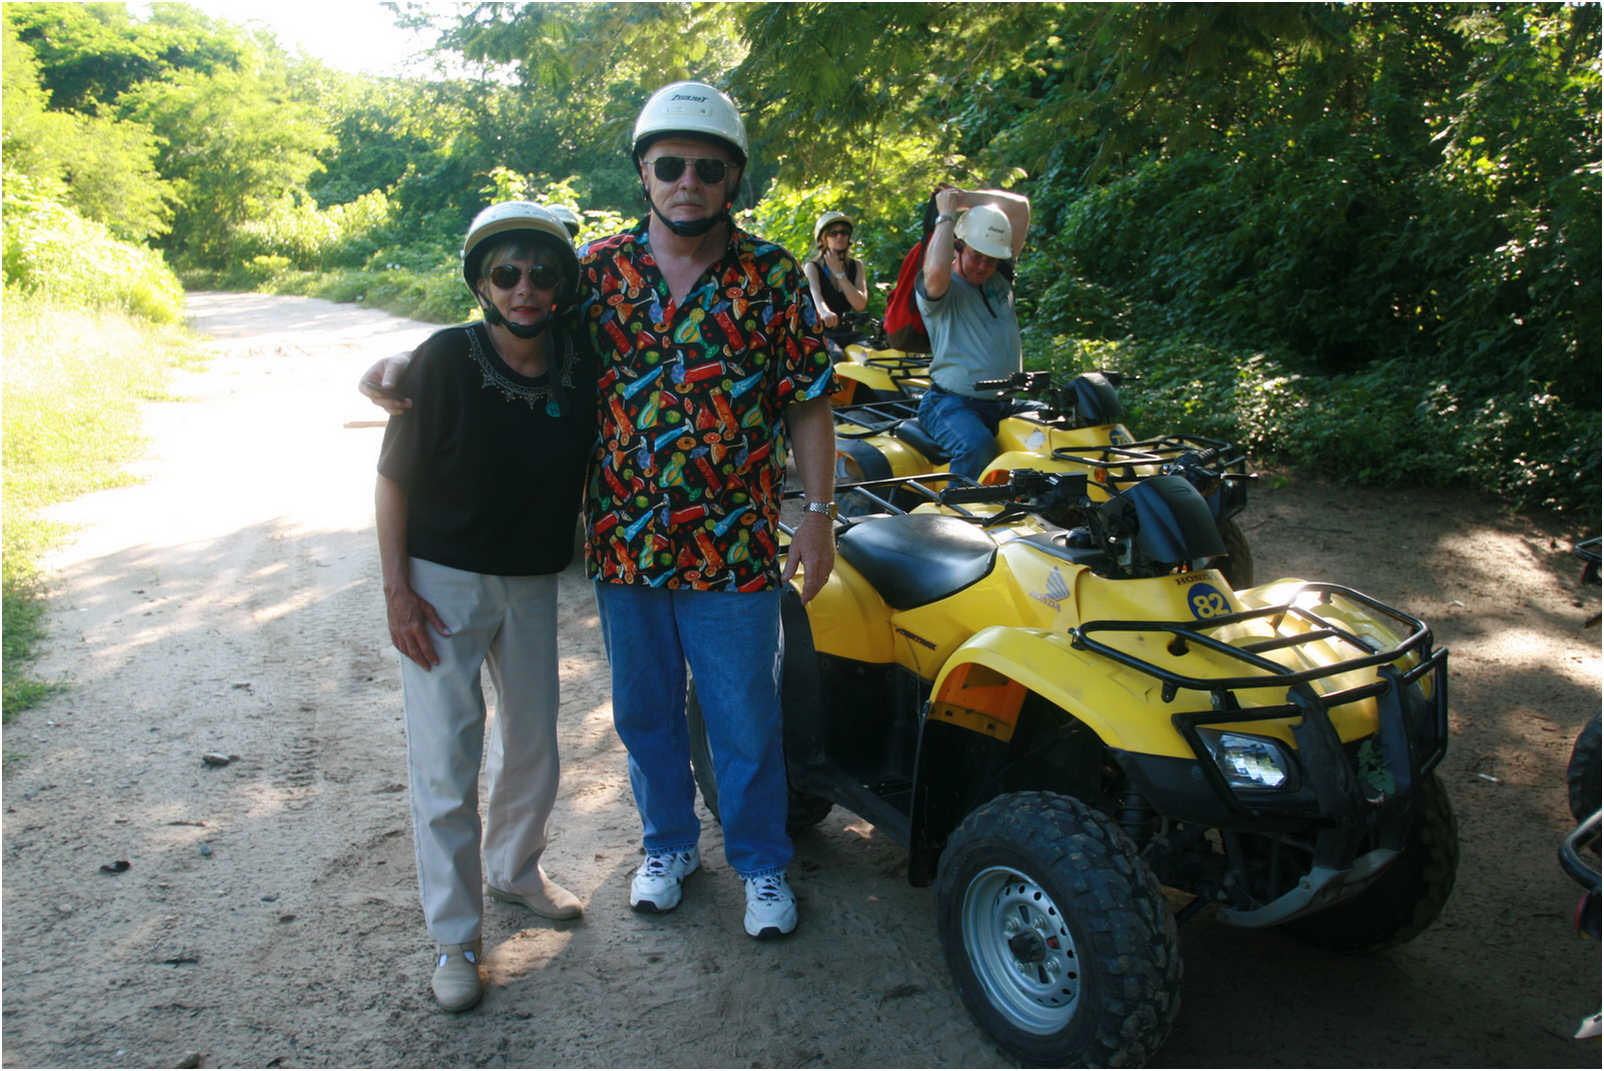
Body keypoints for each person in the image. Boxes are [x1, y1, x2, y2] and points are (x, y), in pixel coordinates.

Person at [361, 82, 836, 941]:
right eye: (668, 165)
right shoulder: (601, 273)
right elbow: (513, 318)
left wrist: (820, 511)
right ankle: (668, 846)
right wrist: (402, 358)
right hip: (626, 546)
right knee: (644, 712)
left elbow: (807, 400)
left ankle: (762, 863)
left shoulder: (770, 277)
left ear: (732, 178)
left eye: (706, 167)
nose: (686, 180)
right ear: (644, 174)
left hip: (734, 547)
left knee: (745, 713)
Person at [375, 201, 594, 1012]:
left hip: (533, 581)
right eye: (506, 272)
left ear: (563, 283)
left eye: (541, 272)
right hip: (441, 582)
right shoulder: (442, 358)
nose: (525, 287)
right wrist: (397, 589)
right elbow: (393, 476)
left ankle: (515, 869)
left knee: (536, 742)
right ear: (482, 282)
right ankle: (455, 938)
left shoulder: (581, 360)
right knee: (447, 760)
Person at [914, 185, 1033, 479]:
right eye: (977, 256)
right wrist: (946, 214)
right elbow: (937, 269)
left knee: (1055, 429)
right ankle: (958, 518)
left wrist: (965, 198)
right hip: (951, 403)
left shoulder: (1000, 278)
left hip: (1005, 402)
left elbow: (1020, 209)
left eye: (991, 259)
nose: (984, 266)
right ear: (958, 246)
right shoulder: (940, 289)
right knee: (976, 447)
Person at [802, 210, 870, 347]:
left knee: (869, 357)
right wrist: (825, 313)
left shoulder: (857, 266)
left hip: (850, 332)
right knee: (836, 358)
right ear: (824, 238)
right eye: (833, 233)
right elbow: (816, 297)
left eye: (844, 232)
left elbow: (860, 304)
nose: (840, 236)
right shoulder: (812, 267)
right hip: (824, 333)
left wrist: (839, 274)